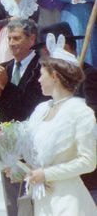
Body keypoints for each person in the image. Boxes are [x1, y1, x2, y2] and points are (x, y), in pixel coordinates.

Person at [18, 35, 96, 215]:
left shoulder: (80, 111)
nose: (38, 80)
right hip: (41, 200)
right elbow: (31, 149)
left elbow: (88, 161)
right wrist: (17, 168)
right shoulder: (40, 109)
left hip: (68, 202)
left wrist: (47, 174)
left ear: (55, 77)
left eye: (41, 75)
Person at [0, 19, 49, 216]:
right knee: (13, 203)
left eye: (17, 38)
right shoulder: (4, 67)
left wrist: (6, 86)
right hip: (9, 147)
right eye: (9, 38)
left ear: (31, 39)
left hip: (34, 145)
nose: (11, 43)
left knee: (35, 202)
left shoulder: (43, 67)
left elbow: (33, 105)